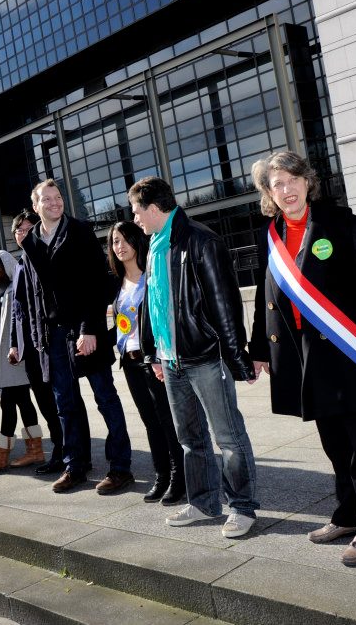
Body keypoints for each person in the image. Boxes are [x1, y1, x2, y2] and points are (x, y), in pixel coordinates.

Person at [248, 152, 356, 564]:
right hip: (301, 355)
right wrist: (258, 350)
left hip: (346, 349)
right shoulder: (272, 234)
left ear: (308, 181)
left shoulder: (342, 224)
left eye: (293, 180)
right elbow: (266, 296)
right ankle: (347, 514)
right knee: (334, 442)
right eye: (278, 184)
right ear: (268, 193)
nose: (287, 190)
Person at [129, 175, 259, 538]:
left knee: (228, 436)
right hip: (172, 360)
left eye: (137, 211)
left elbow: (225, 303)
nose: (134, 218)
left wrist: (236, 355)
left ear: (154, 208)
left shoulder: (201, 241)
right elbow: (152, 305)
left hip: (205, 357)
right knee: (190, 438)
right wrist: (155, 353)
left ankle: (243, 507)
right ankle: (203, 503)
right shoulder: (155, 245)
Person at [14, 180, 134, 494]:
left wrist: (89, 329)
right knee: (65, 404)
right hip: (53, 336)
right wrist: (37, 338)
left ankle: (120, 468)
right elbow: (35, 295)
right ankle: (75, 466)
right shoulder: (31, 241)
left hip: (84, 330)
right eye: (47, 199)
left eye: (58, 197)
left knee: (105, 398)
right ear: (36, 206)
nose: (55, 203)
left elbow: (97, 283)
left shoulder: (79, 231)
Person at [106, 221, 186, 505]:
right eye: (115, 241)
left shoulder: (151, 275)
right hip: (129, 361)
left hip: (153, 359)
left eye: (125, 239)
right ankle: (161, 475)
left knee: (167, 420)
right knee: (150, 422)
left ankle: (179, 477)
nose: (120, 246)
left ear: (137, 241)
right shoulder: (116, 283)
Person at [0, 251, 46, 472]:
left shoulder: (13, 291)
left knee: (9, 403)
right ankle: (34, 450)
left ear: (6, 268)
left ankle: (2, 454)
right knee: (22, 402)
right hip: (5, 361)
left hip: (17, 359)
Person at [9, 210, 64, 474]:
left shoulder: (44, 256)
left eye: (28, 229)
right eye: (18, 230)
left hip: (48, 341)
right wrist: (14, 343)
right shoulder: (20, 263)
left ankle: (67, 452)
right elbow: (16, 309)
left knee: (59, 402)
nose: (23, 234)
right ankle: (60, 449)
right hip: (29, 345)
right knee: (44, 402)